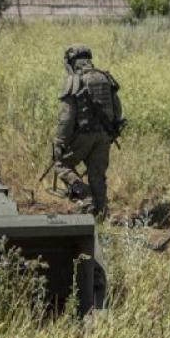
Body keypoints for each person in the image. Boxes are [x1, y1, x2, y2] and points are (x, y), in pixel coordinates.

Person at [54, 45, 123, 219]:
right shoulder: (105, 77)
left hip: (83, 135)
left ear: (71, 63)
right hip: (104, 135)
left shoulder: (74, 80)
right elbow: (117, 109)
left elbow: (67, 117)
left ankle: (85, 197)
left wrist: (60, 142)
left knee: (61, 165)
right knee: (97, 175)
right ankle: (100, 215)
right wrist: (110, 132)